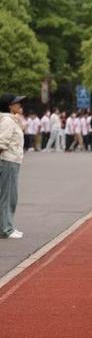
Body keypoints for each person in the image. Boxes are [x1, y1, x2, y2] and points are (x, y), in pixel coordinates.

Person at [0, 95, 26, 239]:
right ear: (10, 105)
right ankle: (6, 228)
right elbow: (1, 143)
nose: (20, 104)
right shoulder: (8, 121)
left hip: (12, 161)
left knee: (9, 195)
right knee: (8, 196)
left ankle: (5, 226)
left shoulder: (12, 120)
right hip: (8, 161)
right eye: (17, 102)